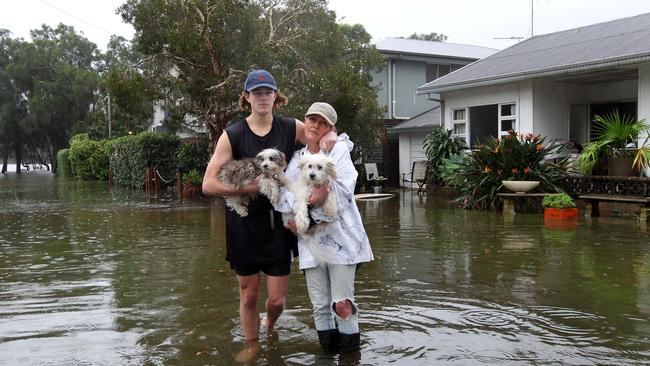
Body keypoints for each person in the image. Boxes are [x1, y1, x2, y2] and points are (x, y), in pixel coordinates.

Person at [201, 70, 336, 360]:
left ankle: (269, 322)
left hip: (279, 226)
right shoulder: (233, 135)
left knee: (277, 299)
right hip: (244, 224)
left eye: (268, 92)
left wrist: (332, 133)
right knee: (249, 295)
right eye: (257, 93)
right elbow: (208, 184)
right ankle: (252, 344)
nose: (263, 98)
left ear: (276, 96)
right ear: (247, 97)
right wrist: (252, 187)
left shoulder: (290, 127)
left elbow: (319, 132)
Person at [275, 102, 374, 352]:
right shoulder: (298, 158)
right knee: (319, 306)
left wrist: (307, 205)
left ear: (331, 127)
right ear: (305, 121)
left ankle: (351, 357)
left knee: (342, 303)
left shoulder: (338, 150)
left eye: (323, 123)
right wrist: (310, 201)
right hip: (311, 243)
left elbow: (342, 194)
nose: (315, 126)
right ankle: (327, 356)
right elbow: (285, 196)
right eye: (312, 120)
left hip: (342, 240)